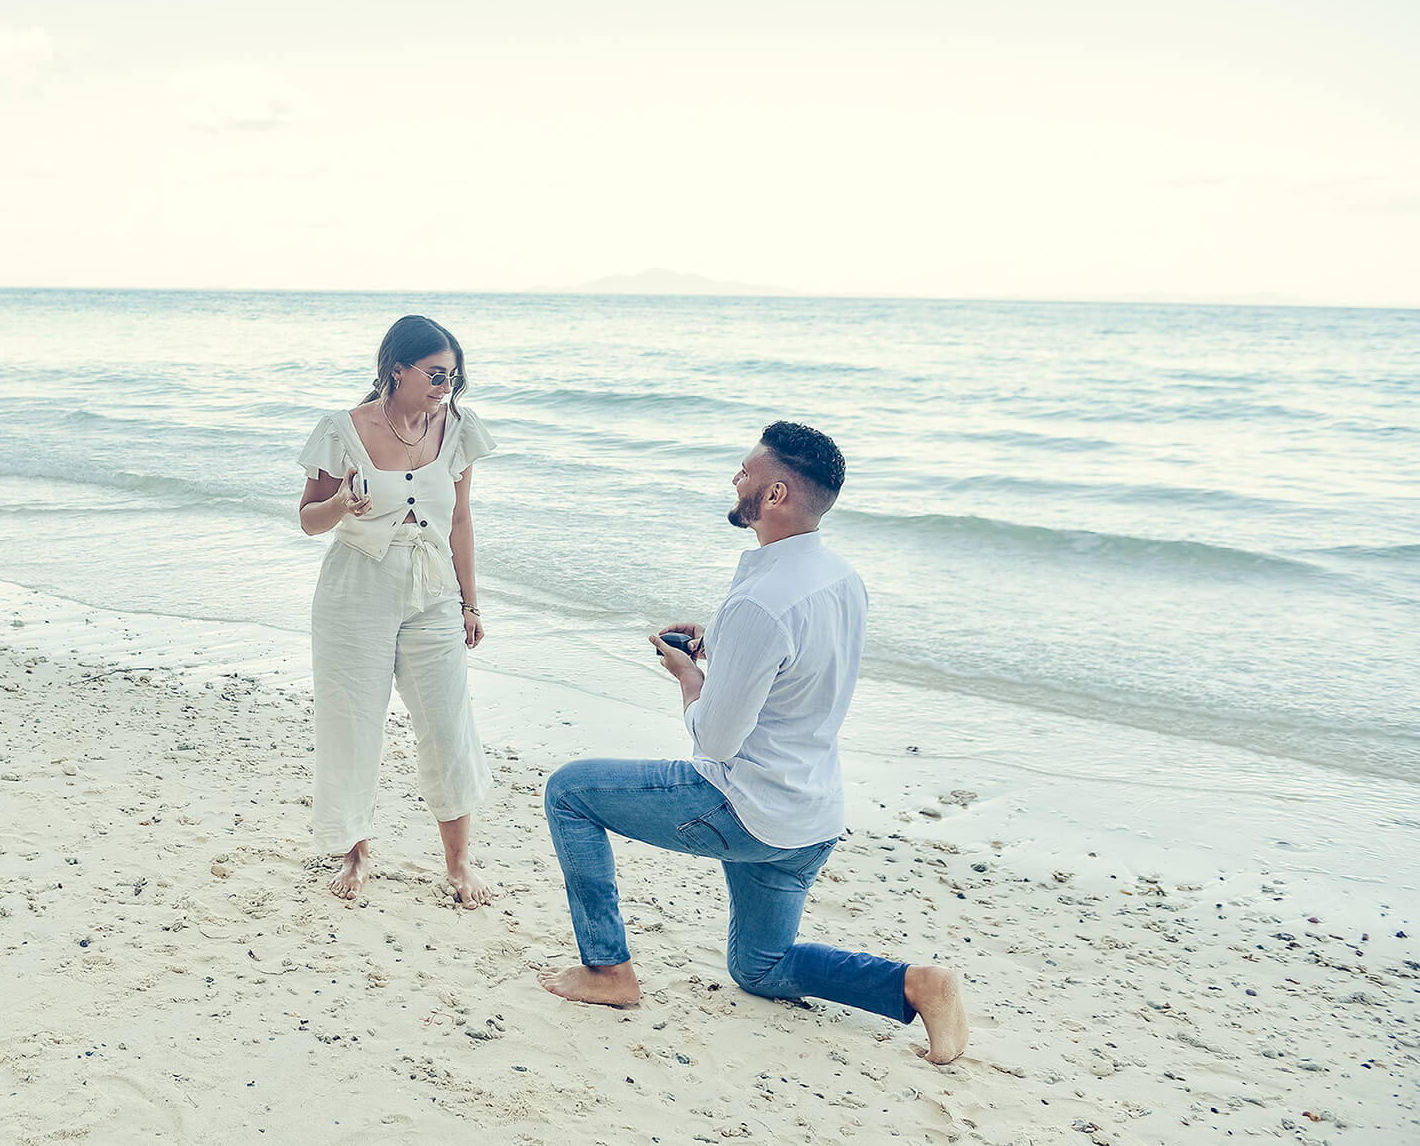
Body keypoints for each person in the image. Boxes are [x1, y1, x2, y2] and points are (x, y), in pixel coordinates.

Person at [537, 420, 969, 1064]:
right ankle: (915, 985)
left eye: (744, 471)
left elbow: (714, 739)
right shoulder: (841, 578)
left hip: (745, 809)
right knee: (759, 968)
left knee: (569, 790)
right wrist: (721, 647)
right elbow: (799, 667)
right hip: (812, 814)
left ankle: (607, 971)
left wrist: (692, 677)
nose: (734, 479)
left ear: (774, 494)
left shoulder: (761, 601)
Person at [297, 315, 498, 906]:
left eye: (453, 378)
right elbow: (309, 520)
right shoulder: (342, 430)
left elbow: (460, 521)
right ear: (397, 369)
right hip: (354, 590)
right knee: (352, 722)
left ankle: (458, 863)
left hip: (432, 590)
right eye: (436, 375)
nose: (446, 388)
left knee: (446, 724)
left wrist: (470, 603)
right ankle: (356, 853)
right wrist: (339, 502)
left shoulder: (458, 428)